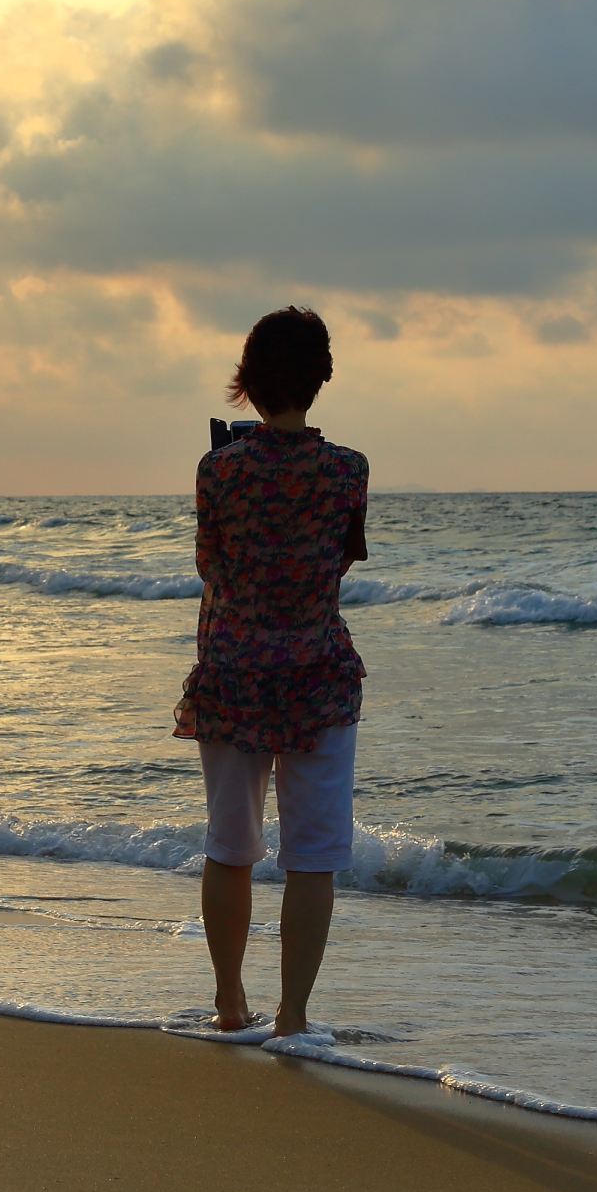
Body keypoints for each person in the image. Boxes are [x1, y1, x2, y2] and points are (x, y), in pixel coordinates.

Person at [174, 306, 368, 1037]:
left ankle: (230, 1003)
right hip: (317, 674)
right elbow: (340, 560)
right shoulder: (349, 471)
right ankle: (293, 1016)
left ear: (247, 383)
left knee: (231, 847)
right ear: (319, 379)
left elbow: (210, 564)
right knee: (311, 856)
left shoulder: (218, 469)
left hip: (232, 673)